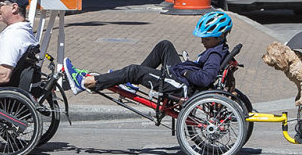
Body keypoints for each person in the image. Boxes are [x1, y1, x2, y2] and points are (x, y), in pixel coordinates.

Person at [63, 11, 233, 96]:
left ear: (219, 36)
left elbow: (205, 79)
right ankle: (129, 83)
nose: (202, 41)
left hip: (180, 85)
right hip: (179, 76)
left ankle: (85, 82)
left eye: (206, 39)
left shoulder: (214, 55)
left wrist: (185, 71)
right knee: (164, 45)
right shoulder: (218, 48)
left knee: (134, 70)